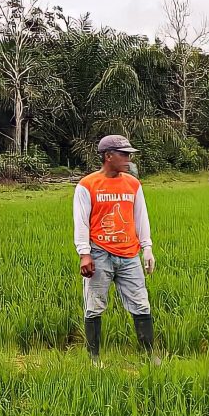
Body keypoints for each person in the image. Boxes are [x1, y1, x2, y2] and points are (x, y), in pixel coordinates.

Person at [74, 134, 159, 366]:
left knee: (141, 303)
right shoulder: (87, 185)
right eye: (124, 154)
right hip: (99, 253)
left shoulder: (133, 184)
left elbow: (141, 217)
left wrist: (147, 247)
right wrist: (84, 253)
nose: (128, 159)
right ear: (108, 156)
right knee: (95, 304)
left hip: (129, 254)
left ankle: (149, 357)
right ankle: (94, 359)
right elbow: (80, 221)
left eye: (129, 154)